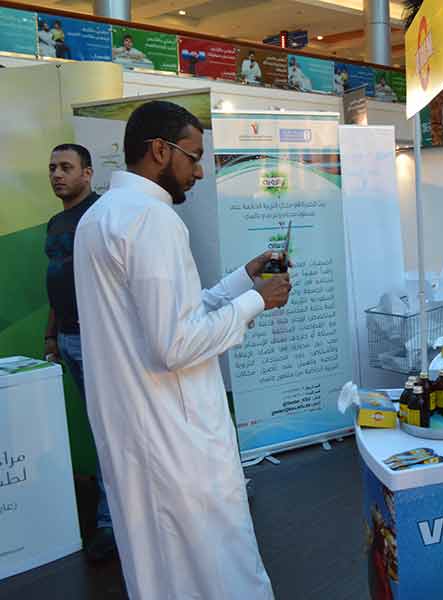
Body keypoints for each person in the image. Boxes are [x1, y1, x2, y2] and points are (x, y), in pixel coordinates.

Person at [73, 100, 292, 599]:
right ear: (159, 150)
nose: (199, 172)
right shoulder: (151, 219)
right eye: (193, 157)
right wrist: (257, 301)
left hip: (137, 431)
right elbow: (175, 343)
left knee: (159, 568)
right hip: (176, 435)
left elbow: (174, 315)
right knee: (219, 565)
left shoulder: (100, 215)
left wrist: (243, 279)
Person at [43, 143, 118, 562]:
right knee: (99, 430)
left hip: (97, 341)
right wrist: (50, 336)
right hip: (67, 340)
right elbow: (55, 280)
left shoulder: (102, 215)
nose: (57, 174)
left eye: (66, 167)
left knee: (109, 433)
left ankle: (111, 524)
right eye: (53, 168)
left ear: (88, 173)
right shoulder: (55, 223)